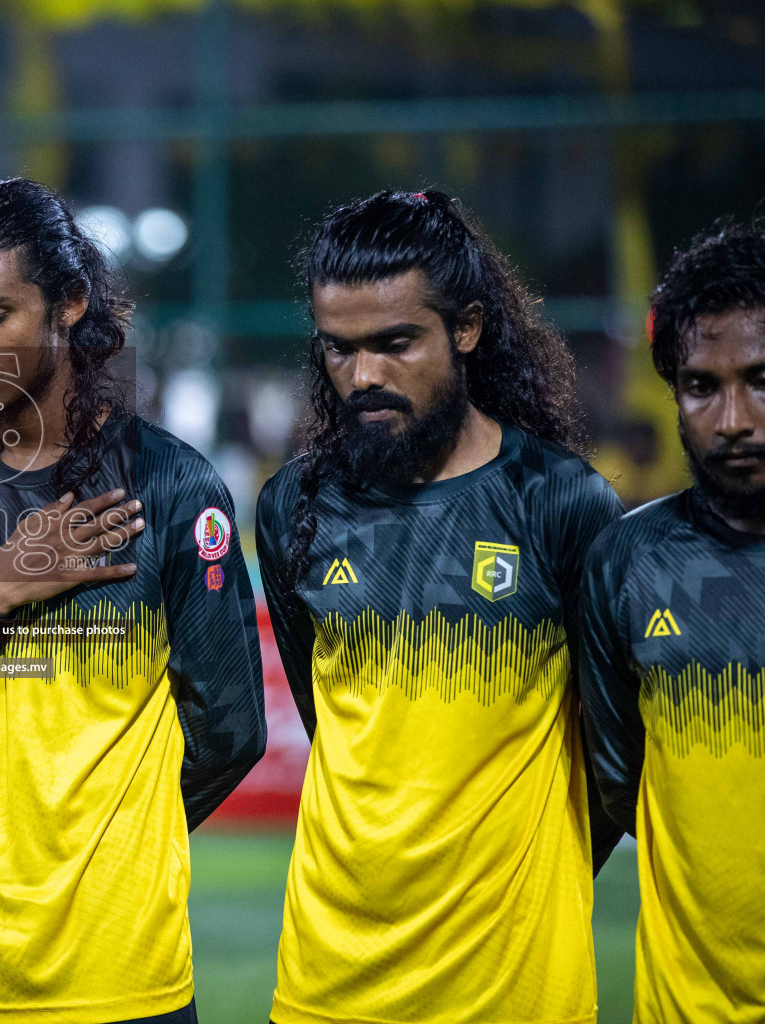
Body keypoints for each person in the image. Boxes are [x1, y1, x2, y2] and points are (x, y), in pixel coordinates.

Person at [0, 178, 266, 1024]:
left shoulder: (173, 488)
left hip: (122, 978)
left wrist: (114, 845)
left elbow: (230, 732)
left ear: (70, 304)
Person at [255, 190, 624, 1024]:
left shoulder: (560, 503)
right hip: (324, 986)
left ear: (466, 327)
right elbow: (330, 726)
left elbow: (613, 766)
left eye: (395, 343)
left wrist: (532, 883)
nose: (365, 377)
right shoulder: (293, 508)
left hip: (515, 991)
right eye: (339, 350)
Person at [580, 222, 765, 1023]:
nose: (734, 420)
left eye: (763, 379)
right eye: (701, 386)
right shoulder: (624, 563)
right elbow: (618, 782)